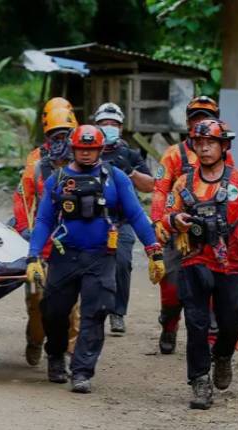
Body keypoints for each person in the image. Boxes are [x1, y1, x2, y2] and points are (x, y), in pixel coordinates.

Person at [26, 125, 165, 393]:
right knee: (53, 311)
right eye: (81, 149)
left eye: (91, 149)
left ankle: (81, 371)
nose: (86, 154)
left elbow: (136, 215)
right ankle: (55, 354)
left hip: (102, 257)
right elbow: (43, 219)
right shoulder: (57, 179)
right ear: (73, 149)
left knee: (96, 312)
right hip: (65, 255)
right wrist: (33, 255)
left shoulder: (116, 178)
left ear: (100, 150)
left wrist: (153, 250)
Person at [160, 119, 238, 410]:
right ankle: (200, 381)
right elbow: (166, 213)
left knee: (231, 323)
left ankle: (223, 356)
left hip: (232, 265)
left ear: (224, 146)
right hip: (194, 261)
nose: (205, 148)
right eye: (199, 144)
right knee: (197, 323)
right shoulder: (182, 182)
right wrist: (175, 220)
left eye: (211, 143)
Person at [150, 96, 231, 355]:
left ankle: (208, 344)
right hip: (178, 230)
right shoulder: (174, 155)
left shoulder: (225, 156)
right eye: (196, 117)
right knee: (173, 288)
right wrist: (158, 222)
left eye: (206, 117)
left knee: (210, 287)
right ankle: (169, 323)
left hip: (211, 232)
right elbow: (161, 190)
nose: (201, 123)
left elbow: (232, 189)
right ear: (188, 122)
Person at [12, 100, 81, 365]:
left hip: (73, 244)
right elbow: (23, 198)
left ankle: (71, 353)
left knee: (73, 306)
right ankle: (35, 339)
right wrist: (25, 232)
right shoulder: (37, 163)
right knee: (38, 300)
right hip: (42, 244)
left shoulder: (84, 158)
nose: (61, 141)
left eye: (66, 134)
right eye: (56, 135)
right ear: (47, 135)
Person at [94, 102, 155, 336]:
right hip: (92, 219)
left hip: (122, 220)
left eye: (114, 124)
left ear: (121, 128)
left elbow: (150, 186)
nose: (109, 127)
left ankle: (117, 313)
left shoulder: (129, 154)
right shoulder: (86, 150)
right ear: (96, 125)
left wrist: (130, 171)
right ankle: (90, 310)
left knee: (122, 262)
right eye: (104, 124)